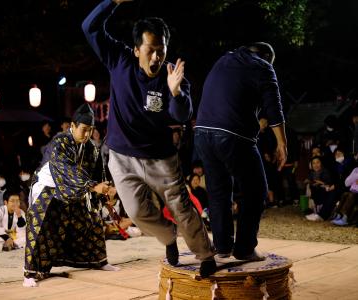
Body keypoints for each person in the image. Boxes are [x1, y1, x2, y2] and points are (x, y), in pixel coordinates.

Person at [82, 0, 216, 277]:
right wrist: (112, 3)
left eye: (161, 50)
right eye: (150, 51)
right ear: (136, 50)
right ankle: (168, 237)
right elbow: (89, 27)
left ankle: (205, 255)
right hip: (121, 156)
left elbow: (182, 115)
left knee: (183, 208)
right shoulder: (119, 59)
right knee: (137, 214)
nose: (156, 57)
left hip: (161, 159)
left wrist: (176, 92)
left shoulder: (171, 76)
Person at [194, 42, 287, 261]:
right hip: (232, 136)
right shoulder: (263, 66)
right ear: (266, 58)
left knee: (219, 192)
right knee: (256, 190)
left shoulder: (225, 59)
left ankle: (223, 246)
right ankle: (245, 249)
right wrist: (282, 143)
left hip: (201, 134)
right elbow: (274, 108)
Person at [23, 103, 119, 288]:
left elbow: (98, 173)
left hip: (77, 189)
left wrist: (105, 190)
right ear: (72, 126)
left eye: (90, 130)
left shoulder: (92, 148)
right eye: (84, 130)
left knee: (91, 220)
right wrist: (92, 186)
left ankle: (99, 261)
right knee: (42, 226)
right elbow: (66, 171)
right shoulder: (60, 142)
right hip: (49, 187)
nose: (87, 134)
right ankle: (30, 272)